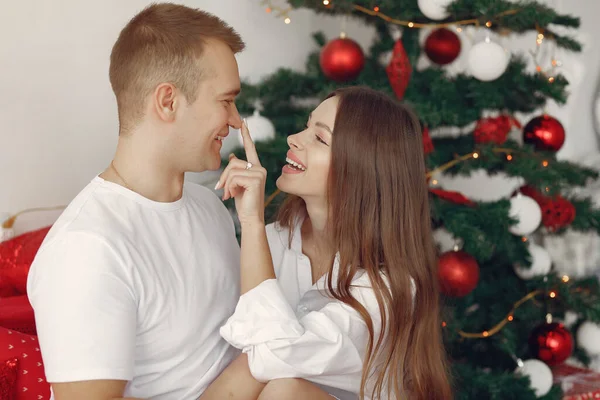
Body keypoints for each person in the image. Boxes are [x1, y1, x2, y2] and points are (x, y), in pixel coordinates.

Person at [26, 3, 245, 399]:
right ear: (167, 101)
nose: (235, 120)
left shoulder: (210, 208)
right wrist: (259, 369)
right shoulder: (87, 251)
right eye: (226, 100)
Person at [201, 86, 453, 400]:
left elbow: (270, 356)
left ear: (362, 169)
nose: (294, 138)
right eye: (307, 126)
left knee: (284, 391)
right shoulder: (273, 240)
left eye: (319, 138)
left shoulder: (389, 287)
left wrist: (250, 221)